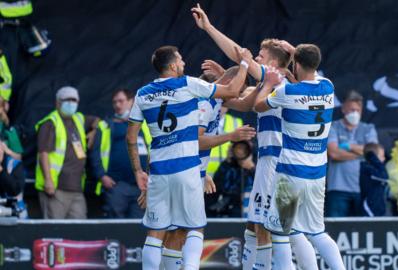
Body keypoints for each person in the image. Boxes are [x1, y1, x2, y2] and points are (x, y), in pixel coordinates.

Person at [191, 6, 318, 270]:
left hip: (277, 163)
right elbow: (240, 102)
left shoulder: (279, 82)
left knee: (269, 228)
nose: (256, 59)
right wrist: (223, 82)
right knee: (259, 227)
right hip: (275, 163)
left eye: (261, 56)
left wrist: (209, 28)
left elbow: (241, 56)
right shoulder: (271, 85)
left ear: (272, 63)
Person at [126, 45, 252, 270]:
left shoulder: (142, 94)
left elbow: (131, 137)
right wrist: (244, 62)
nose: (184, 63)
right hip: (186, 168)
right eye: (181, 60)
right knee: (194, 228)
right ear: (173, 65)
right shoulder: (188, 85)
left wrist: (138, 172)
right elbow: (232, 90)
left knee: (155, 234)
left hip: (158, 170)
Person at [254, 44, 345, 270]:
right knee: (317, 232)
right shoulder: (327, 86)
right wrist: (296, 53)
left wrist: (268, 84)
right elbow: (308, 68)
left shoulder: (287, 92)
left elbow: (258, 106)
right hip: (317, 174)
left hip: (290, 173)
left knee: (281, 232)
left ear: (295, 64)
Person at [35, 86, 98, 219]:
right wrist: (48, 181)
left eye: (74, 100)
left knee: (79, 231)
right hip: (57, 189)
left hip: (76, 188)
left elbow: (98, 121)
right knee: (55, 231)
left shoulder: (79, 119)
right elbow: (43, 153)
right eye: (67, 100)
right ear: (58, 102)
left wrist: (93, 132)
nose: (71, 103)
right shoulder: (50, 123)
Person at [90, 89, 150, 218]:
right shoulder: (105, 125)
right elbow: (95, 154)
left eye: (121, 101)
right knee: (115, 224)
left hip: (141, 186)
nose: (117, 105)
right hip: (117, 184)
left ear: (131, 101)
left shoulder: (145, 124)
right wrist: (102, 176)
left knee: (138, 225)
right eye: (114, 102)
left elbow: (155, 150)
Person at [326, 90, 378, 217]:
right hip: (337, 188)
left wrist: (348, 146)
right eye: (350, 110)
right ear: (343, 109)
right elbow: (334, 153)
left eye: (357, 110)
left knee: (362, 230)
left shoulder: (368, 128)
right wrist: (362, 153)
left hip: (363, 188)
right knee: (336, 230)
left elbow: (374, 152)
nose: (354, 113)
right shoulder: (333, 127)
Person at [208, 140, 255, 217]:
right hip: (231, 213)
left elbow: (263, 187)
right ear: (233, 150)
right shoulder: (228, 166)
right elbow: (217, 189)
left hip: (250, 213)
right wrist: (227, 162)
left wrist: (252, 168)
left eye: (244, 149)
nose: (240, 152)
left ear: (249, 151)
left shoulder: (255, 165)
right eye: (238, 148)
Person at [359, 143, 388, 217]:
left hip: (378, 208)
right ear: (373, 157)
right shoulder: (367, 168)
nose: (384, 159)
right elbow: (384, 177)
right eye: (382, 156)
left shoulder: (376, 169)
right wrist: (373, 157)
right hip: (369, 208)